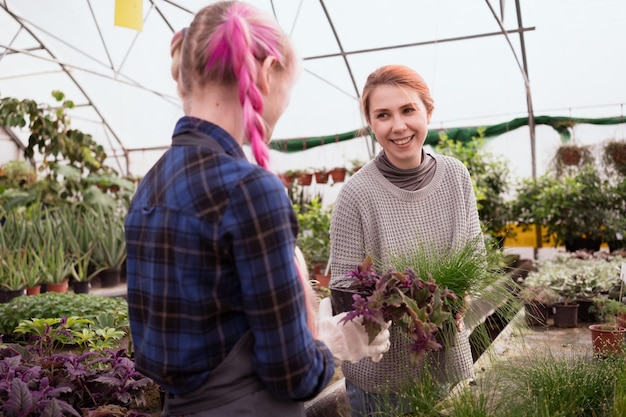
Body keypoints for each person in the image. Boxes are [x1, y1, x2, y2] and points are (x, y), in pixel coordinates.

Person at [124, 2, 389, 416]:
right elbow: (295, 375)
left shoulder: (153, 181)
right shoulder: (248, 188)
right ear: (266, 73)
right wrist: (331, 344)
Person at [329, 64, 484, 416]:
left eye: (408, 110)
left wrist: (460, 296)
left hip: (443, 363)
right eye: (383, 115)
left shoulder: (456, 176)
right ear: (371, 124)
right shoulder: (356, 194)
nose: (398, 126)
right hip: (381, 384)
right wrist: (396, 307)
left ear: (428, 111)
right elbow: (342, 294)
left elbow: (475, 255)